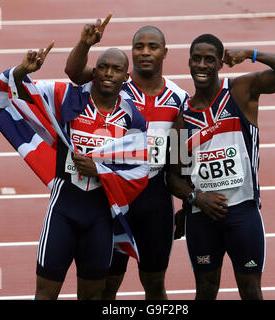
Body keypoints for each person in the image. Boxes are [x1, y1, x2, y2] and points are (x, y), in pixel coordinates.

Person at [0, 42, 149, 299]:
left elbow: (139, 171)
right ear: (94, 72)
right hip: (63, 210)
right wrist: (22, 71)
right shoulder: (69, 97)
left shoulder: (132, 117)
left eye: (116, 69)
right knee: (45, 294)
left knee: (92, 296)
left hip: (100, 217)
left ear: (126, 76)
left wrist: (100, 171)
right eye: (103, 67)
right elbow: (22, 96)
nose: (109, 73)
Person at [168, 34, 275, 300]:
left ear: (221, 63)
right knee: (205, 292)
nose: (202, 65)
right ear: (188, 62)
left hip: (243, 213)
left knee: (251, 291)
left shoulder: (241, 91)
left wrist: (251, 53)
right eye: (196, 59)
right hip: (202, 217)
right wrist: (196, 198)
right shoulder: (181, 119)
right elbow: (175, 177)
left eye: (210, 59)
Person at [65, 15, 188, 300]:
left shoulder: (179, 97)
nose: (145, 52)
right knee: (108, 282)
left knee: (155, 283)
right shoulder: (115, 82)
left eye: (153, 47)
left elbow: (180, 156)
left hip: (155, 195)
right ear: (131, 52)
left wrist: (186, 204)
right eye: (139, 47)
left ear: (165, 53)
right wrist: (85, 43)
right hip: (114, 190)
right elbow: (73, 72)